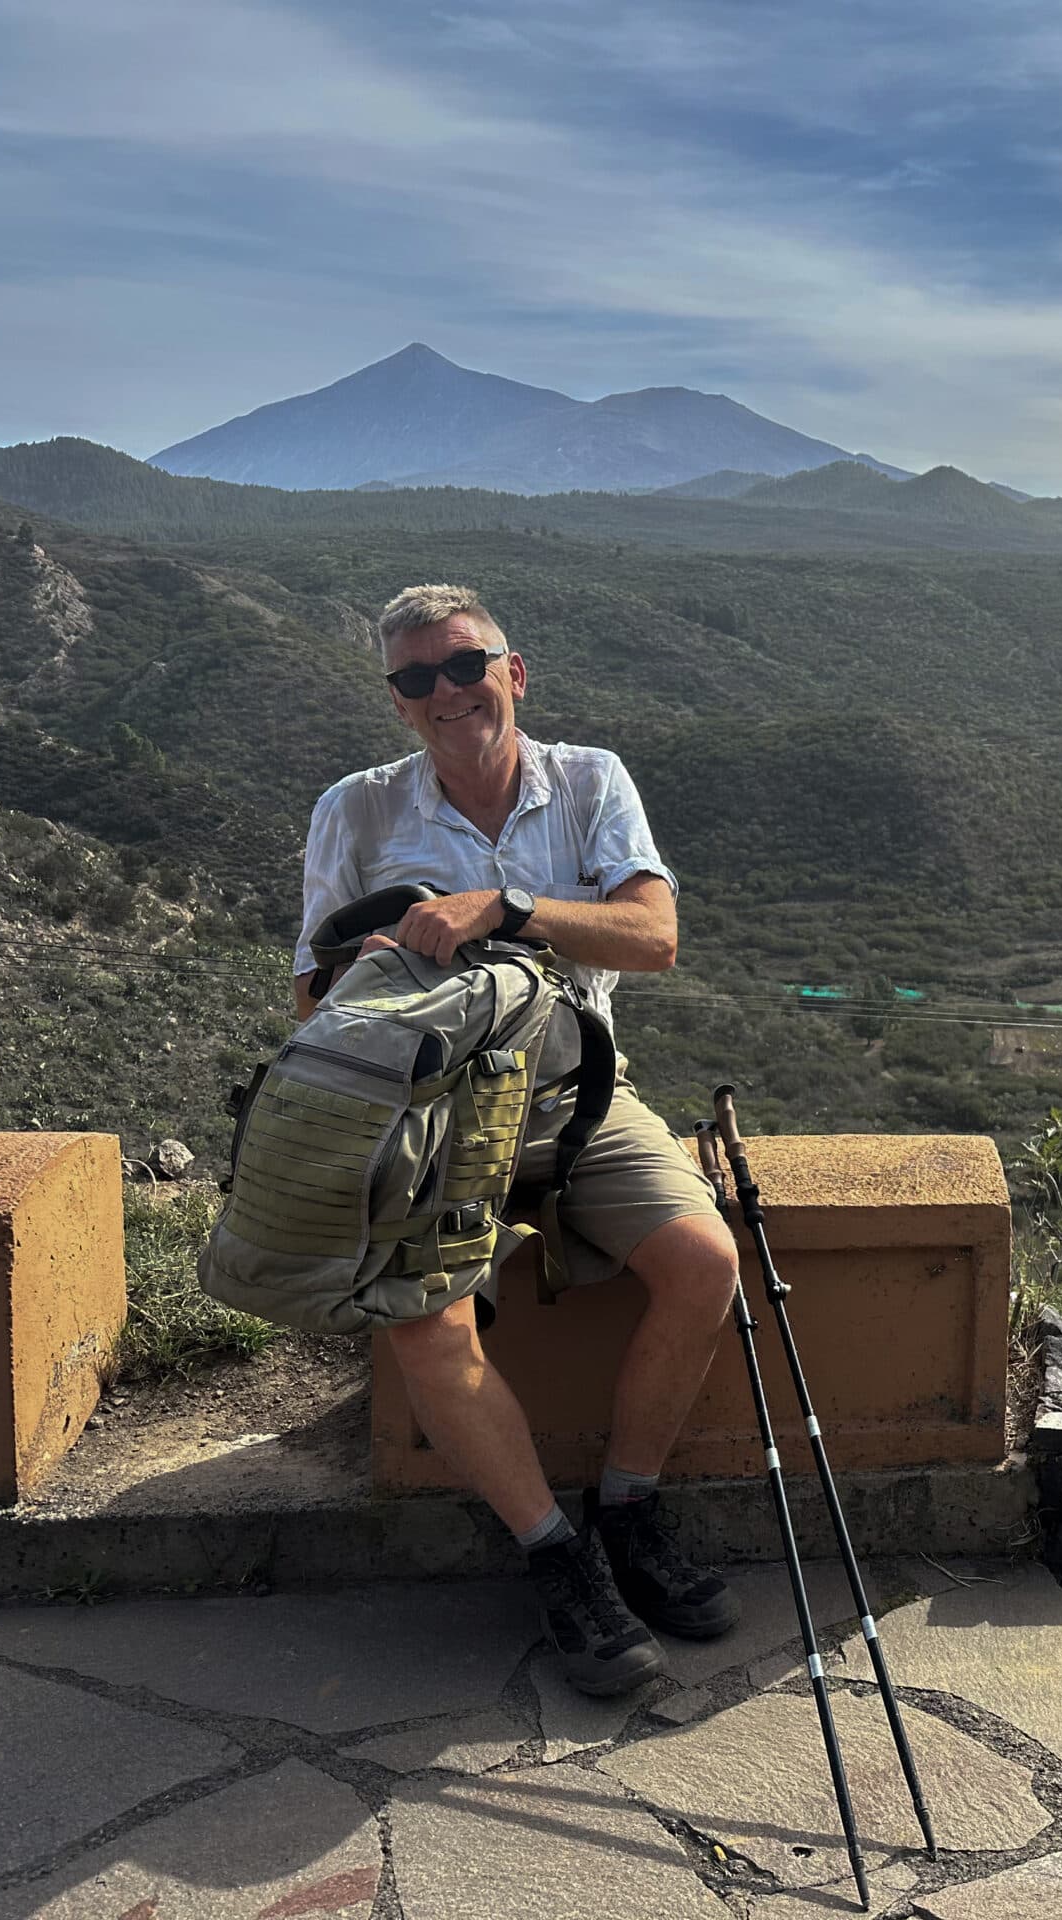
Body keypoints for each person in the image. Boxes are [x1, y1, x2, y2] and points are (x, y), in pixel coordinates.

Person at [294, 582, 742, 1697]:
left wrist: (505, 909)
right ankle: (557, 1554)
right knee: (423, 1325)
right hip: (433, 1115)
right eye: (416, 679)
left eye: (463, 665)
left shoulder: (590, 781)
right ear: (398, 703)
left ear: (514, 670)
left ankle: (628, 1504)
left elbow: (653, 937)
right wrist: (385, 973)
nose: (446, 693)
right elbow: (310, 1000)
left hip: (576, 1095)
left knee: (706, 1264)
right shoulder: (352, 812)